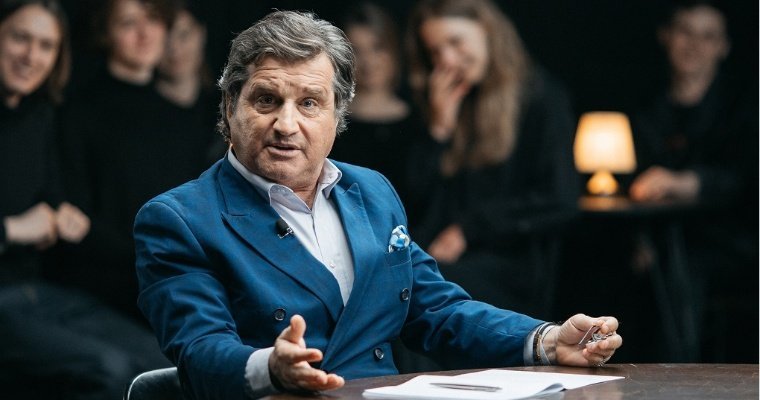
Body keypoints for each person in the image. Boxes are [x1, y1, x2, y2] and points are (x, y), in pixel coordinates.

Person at [134, 10, 622, 399]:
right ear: (229, 106)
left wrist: (545, 341)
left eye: (309, 103)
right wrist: (272, 367)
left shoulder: (372, 192)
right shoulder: (178, 220)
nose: (286, 124)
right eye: (266, 100)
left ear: (337, 116)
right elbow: (200, 352)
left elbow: (436, 309)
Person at [0, 1, 169, 398]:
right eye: (20, 38)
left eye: (46, 45)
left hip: (36, 292)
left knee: (161, 364)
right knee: (110, 370)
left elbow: (50, 202)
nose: (31, 56)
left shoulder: (39, 116)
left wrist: (63, 217)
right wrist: (15, 229)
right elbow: (26, 223)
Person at [404, 0, 579, 317]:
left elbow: (559, 199)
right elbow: (413, 199)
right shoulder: (449, 101)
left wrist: (468, 229)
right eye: (435, 51)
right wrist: (438, 131)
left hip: (511, 266)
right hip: (441, 257)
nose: (447, 60)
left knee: (427, 288)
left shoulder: (540, 98)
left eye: (456, 42)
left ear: (487, 31)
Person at [55, 0, 214, 319]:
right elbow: (77, 218)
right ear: (105, 34)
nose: (145, 34)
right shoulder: (78, 112)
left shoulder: (180, 117)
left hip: (174, 289)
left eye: (153, 20)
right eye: (128, 23)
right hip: (106, 293)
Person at [628, 0, 757, 362]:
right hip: (657, 237)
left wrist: (683, 182)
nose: (694, 45)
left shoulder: (743, 106)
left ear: (723, 46)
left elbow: (743, 178)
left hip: (730, 239)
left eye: (707, 36)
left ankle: (678, 370)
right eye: (685, 32)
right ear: (666, 36)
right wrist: (641, 238)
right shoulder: (646, 105)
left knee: (682, 260)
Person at [330, 2, 426, 222]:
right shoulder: (331, 119)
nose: (369, 61)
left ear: (393, 49)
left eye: (377, 47)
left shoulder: (421, 118)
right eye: (356, 50)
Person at [156, 0, 225, 164]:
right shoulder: (137, 116)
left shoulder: (229, 108)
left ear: (202, 33)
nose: (174, 49)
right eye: (164, 40)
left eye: (184, 35)